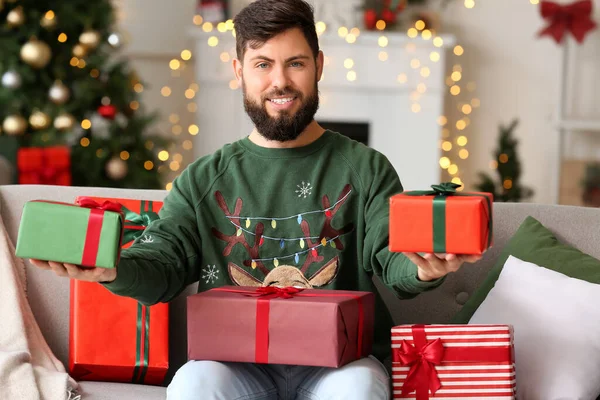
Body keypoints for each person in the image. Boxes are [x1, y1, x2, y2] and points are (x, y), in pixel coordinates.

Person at [30, 0, 481, 398]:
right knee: (192, 385)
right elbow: (161, 268)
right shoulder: (203, 179)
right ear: (239, 71)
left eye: (296, 63)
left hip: (341, 367)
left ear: (319, 66)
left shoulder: (365, 168)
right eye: (263, 64)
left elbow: (393, 260)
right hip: (233, 364)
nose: (279, 82)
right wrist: (112, 270)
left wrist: (423, 267)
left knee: (360, 388)